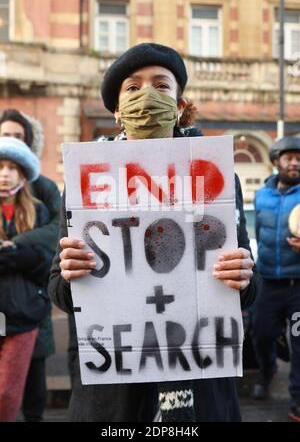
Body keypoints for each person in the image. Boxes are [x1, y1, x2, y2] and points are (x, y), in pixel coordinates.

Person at [48, 43, 257, 422]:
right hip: (114, 396)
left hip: (200, 387)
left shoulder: (219, 179)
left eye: (161, 86)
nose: (147, 96)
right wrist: (69, 273)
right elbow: (60, 292)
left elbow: (245, 292)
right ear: (117, 112)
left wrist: (243, 277)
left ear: (179, 105)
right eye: (133, 88)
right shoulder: (84, 185)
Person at [0, 109, 60, 421]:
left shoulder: (42, 194)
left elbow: (59, 231)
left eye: (17, 137)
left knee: (30, 383)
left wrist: (22, 252)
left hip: (29, 310)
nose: (6, 173)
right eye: (5, 136)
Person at [252, 136, 300, 422]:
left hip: (299, 285)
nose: (294, 162)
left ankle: (297, 398)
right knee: (261, 335)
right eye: (289, 157)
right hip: (268, 281)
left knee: (299, 341)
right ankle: (267, 369)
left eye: (298, 158)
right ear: (275, 162)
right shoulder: (261, 195)